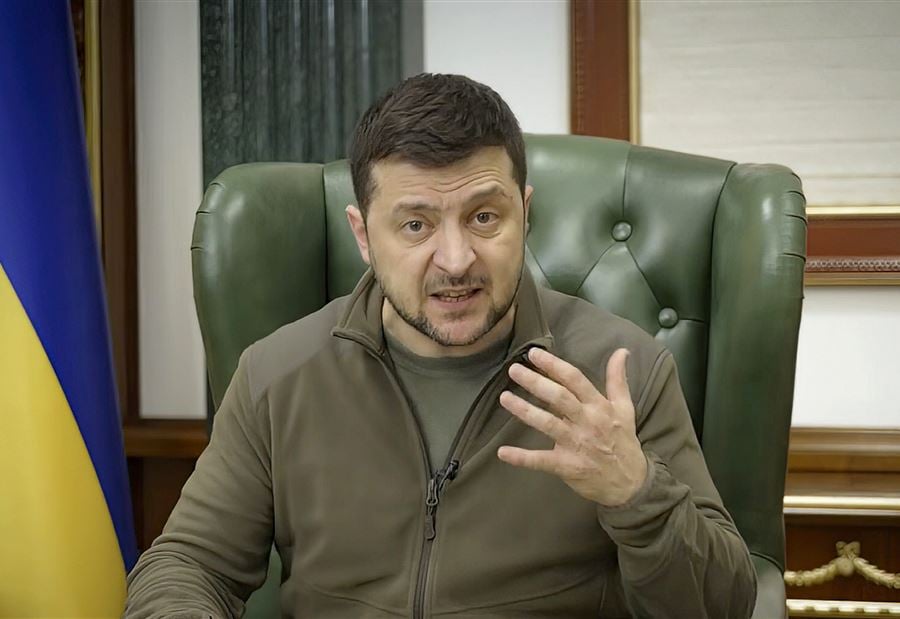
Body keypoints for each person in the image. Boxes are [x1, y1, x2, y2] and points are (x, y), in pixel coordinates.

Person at [125, 73, 756, 618]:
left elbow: (724, 605)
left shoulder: (622, 371)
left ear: (525, 215)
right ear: (363, 235)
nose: (455, 260)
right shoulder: (278, 373)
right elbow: (188, 563)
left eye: (484, 217)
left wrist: (636, 493)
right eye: (416, 225)